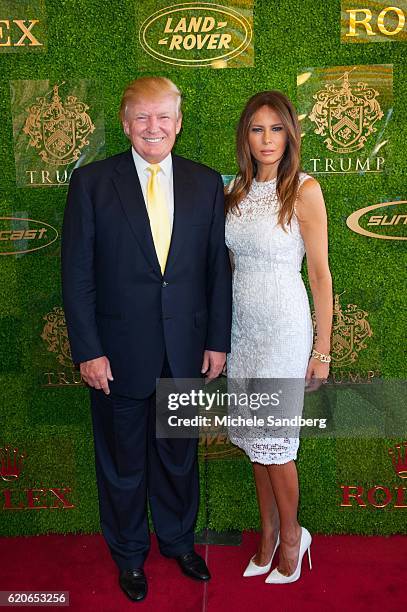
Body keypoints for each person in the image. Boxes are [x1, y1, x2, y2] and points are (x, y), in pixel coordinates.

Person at [61, 76, 232, 603]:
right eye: (142, 117)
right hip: (116, 355)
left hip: (185, 349)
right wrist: (88, 349)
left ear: (178, 124)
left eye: (163, 117)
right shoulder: (91, 183)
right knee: (122, 461)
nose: (153, 127)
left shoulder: (206, 183)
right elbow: (77, 275)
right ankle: (130, 555)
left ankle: (179, 542)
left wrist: (217, 341)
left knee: (179, 457)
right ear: (125, 121)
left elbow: (215, 274)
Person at [225, 91, 332, 584]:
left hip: (285, 329)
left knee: (277, 445)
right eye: (256, 129)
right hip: (242, 330)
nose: (266, 139)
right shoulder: (235, 191)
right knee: (254, 440)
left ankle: (293, 535)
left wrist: (322, 350)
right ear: (245, 136)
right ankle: (266, 533)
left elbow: (320, 274)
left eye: (276, 129)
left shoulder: (304, 189)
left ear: (290, 134)